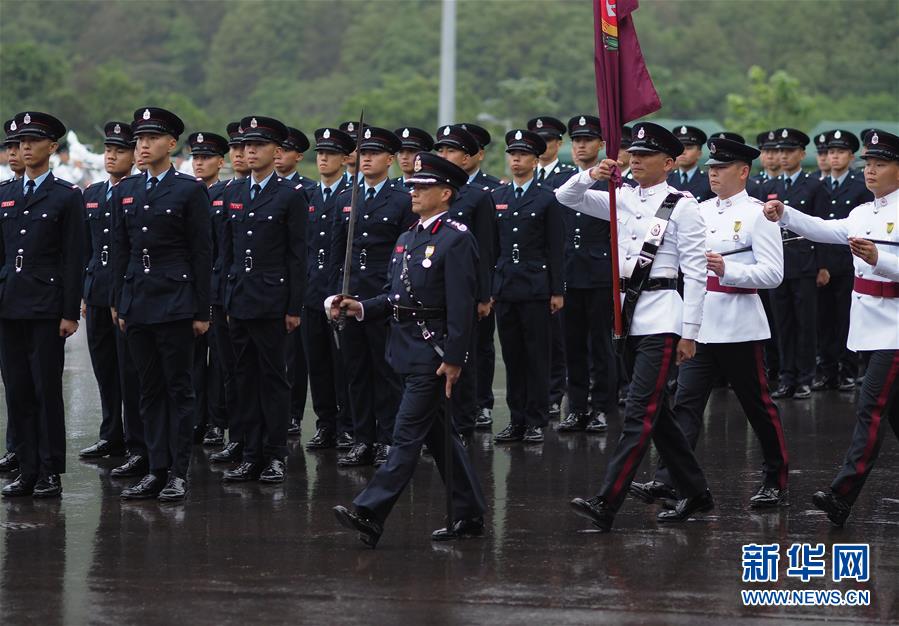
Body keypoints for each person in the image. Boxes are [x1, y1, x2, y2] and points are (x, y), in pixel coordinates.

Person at [558, 121, 713, 532]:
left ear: (668, 163)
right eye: (634, 154)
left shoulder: (682, 205)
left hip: (663, 315)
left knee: (639, 411)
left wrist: (690, 332)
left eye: (646, 156)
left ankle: (607, 501)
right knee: (657, 414)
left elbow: (695, 274)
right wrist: (594, 173)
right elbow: (565, 196)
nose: (636, 161)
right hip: (626, 314)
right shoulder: (618, 196)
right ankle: (695, 491)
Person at [331, 152, 486, 547]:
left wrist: (454, 358)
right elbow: (395, 296)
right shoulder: (409, 237)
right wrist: (361, 306)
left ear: (446, 193)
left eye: (423, 187)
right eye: (413, 186)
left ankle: (371, 511)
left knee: (404, 436)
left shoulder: (456, 239)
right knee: (439, 438)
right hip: (404, 349)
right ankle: (468, 514)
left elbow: (463, 306)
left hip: (432, 357)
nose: (413, 192)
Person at [629, 136, 789, 509]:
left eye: (721, 168)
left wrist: (728, 268)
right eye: (711, 169)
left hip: (739, 322)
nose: (713, 174)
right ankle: (673, 481)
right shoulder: (696, 209)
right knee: (685, 403)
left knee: (757, 406)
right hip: (699, 321)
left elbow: (773, 274)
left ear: (743, 171)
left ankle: (775, 480)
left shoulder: (757, 214)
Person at [762, 129, 899, 527]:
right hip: (871, 326)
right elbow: (826, 228)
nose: (870, 171)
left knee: (870, 408)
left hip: (895, 328)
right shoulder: (862, 212)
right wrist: (785, 214)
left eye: (880, 164)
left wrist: (880, 260)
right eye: (868, 165)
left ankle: (842, 494)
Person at [113, 107, 211, 502]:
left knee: (178, 388)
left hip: (175, 300)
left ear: (171, 144)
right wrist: (119, 302)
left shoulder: (189, 190)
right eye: (139, 139)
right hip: (138, 299)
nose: (142, 146)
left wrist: (202, 311)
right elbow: (120, 251)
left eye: (151, 139)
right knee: (147, 389)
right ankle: (155, 468)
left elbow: (202, 254)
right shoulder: (126, 190)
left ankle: (178, 471)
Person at [219, 116, 307, 484]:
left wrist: (293, 307)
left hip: (272, 300)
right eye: (244, 146)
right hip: (239, 298)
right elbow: (226, 251)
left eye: (257, 146)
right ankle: (250, 452)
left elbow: (297, 256)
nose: (249, 152)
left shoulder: (290, 195)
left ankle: (274, 455)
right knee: (243, 377)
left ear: (277, 151)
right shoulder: (233, 193)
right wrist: (224, 297)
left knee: (273, 379)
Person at [0, 111, 83, 498]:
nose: (24, 148)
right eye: (20, 143)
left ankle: (49, 471)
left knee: (46, 390)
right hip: (9, 304)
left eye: (33, 141)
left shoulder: (67, 196)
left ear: (52, 147)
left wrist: (69, 311)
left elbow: (72, 257)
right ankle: (27, 467)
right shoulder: (5, 194)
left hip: (47, 307)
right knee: (16, 390)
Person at [330, 127, 414, 467]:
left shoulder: (402, 198)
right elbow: (338, 254)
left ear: (390, 159)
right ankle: (362, 439)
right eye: (362, 153)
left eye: (374, 153)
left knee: (385, 372)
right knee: (356, 372)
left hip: (382, 297)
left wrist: (395, 296)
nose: (365, 158)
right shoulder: (346, 197)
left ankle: (387, 439)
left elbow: (405, 253)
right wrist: (333, 297)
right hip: (350, 295)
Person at [491, 129, 564, 444]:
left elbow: (556, 248)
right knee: (512, 356)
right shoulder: (498, 197)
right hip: (506, 287)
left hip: (536, 287)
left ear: (535, 160)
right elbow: (492, 247)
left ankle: (535, 419)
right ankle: (516, 418)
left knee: (536, 356)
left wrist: (557, 290)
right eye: (512, 154)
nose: (516, 159)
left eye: (522, 154)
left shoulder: (547, 198)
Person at [79, 122, 142, 467]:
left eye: (119, 150)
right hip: (98, 290)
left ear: (133, 156)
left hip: (126, 294)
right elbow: (87, 248)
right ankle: (110, 434)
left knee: (128, 370)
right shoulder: (91, 194)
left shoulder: (135, 191)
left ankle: (135, 441)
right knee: (104, 368)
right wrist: (86, 294)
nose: (111, 156)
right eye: (108, 150)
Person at [433, 124, 497, 440]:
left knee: (466, 355)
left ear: (468, 156)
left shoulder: (476, 197)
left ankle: (465, 419)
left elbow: (485, 251)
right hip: (432, 290)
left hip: (466, 290)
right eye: (441, 150)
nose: (444, 155)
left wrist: (484, 294)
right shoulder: (432, 192)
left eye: (451, 150)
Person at [555, 115, 615, 433]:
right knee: (572, 344)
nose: (580, 146)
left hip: (600, 272)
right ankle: (577, 407)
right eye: (576, 140)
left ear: (600, 145)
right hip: (569, 272)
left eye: (587, 140)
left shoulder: (614, 183)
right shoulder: (563, 181)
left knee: (601, 345)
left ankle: (602, 407)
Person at [763, 128, 828, 399]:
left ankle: (804, 377)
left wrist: (822, 265)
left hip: (804, 263)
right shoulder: (771, 187)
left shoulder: (814, 185)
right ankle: (786, 377)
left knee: (805, 323)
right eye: (780, 151)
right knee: (783, 323)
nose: (783, 156)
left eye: (789, 151)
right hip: (779, 264)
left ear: (802, 154)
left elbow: (823, 228)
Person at [303, 127, 354, 450]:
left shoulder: (352, 194)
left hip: (339, 290)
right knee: (317, 362)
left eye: (330, 154)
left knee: (343, 362)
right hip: (311, 290)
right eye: (320, 153)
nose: (323, 159)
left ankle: (348, 424)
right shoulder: (306, 195)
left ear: (345, 158)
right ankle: (326, 423)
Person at [813, 130, 872, 391]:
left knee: (846, 318)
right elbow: (818, 229)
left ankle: (848, 370)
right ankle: (827, 370)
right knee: (824, 320)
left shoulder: (860, 187)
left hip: (851, 262)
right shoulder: (818, 184)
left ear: (850, 156)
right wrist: (820, 264)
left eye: (840, 152)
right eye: (830, 152)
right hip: (824, 262)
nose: (834, 157)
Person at [208, 123, 249, 464]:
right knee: (228, 370)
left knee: (257, 372)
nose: (239, 154)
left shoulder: (283, 194)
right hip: (222, 292)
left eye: (245, 147)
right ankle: (237, 435)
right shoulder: (216, 195)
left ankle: (262, 441)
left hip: (255, 294)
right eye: (235, 149)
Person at [186, 131, 229, 447]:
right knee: (193, 362)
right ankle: (196, 419)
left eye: (206, 157)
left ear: (220, 162)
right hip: (191, 289)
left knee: (221, 363)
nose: (200, 163)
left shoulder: (227, 194)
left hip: (218, 287)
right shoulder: (188, 193)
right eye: (196, 157)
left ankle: (217, 421)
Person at [277, 126, 313, 437]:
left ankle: (292, 413)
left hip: (298, 285)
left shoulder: (305, 190)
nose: (279, 155)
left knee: (294, 358)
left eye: (285, 150)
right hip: (262, 288)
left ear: (298, 156)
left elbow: (303, 249)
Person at [0, 119, 26, 475]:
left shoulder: (59, 193)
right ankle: (16, 447)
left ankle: (37, 458)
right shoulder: (5, 193)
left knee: (35, 385)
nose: (14, 152)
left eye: (19, 145)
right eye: (10, 147)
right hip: (9, 298)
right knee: (14, 382)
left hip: (38, 300)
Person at [667, 125, 712, 202]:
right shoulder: (666, 179)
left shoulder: (709, 181)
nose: (683, 152)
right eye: (680, 148)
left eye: (688, 148)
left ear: (699, 154)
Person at [393, 127, 434, 192]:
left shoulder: (433, 187)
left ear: (423, 155)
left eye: (411, 151)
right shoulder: (388, 188)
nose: (404, 157)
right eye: (400, 151)